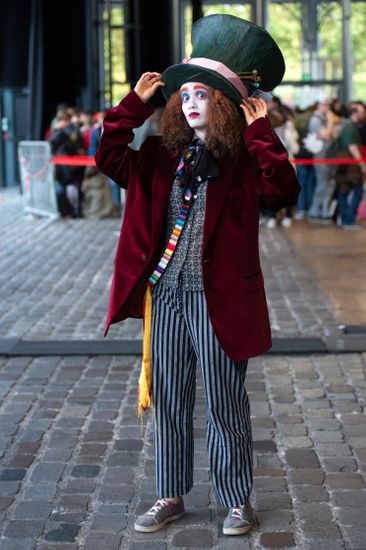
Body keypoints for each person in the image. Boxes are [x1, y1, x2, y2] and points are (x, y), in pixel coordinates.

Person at [95, 14, 300, 537]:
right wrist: (132, 106)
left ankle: (237, 500)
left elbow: (283, 190)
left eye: (202, 95)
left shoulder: (245, 162)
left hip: (219, 298)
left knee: (225, 401)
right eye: (183, 93)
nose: (189, 101)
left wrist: (261, 133)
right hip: (164, 295)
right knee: (169, 398)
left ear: (224, 106)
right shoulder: (158, 159)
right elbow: (108, 153)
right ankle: (169, 494)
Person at [335, 107, 366, 229]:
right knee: (357, 190)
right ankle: (348, 220)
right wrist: (361, 164)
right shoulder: (351, 128)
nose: (363, 114)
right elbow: (352, 146)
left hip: (345, 163)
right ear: (354, 114)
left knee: (344, 190)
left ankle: (344, 219)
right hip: (351, 165)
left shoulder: (348, 127)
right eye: (360, 112)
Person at [307, 99, 335, 221]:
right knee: (321, 185)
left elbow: (331, 135)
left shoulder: (322, 119)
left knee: (326, 185)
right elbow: (327, 135)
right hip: (320, 157)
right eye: (325, 105)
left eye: (328, 105)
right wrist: (330, 121)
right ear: (319, 106)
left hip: (327, 156)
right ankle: (315, 210)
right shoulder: (315, 120)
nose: (327, 107)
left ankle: (323, 211)